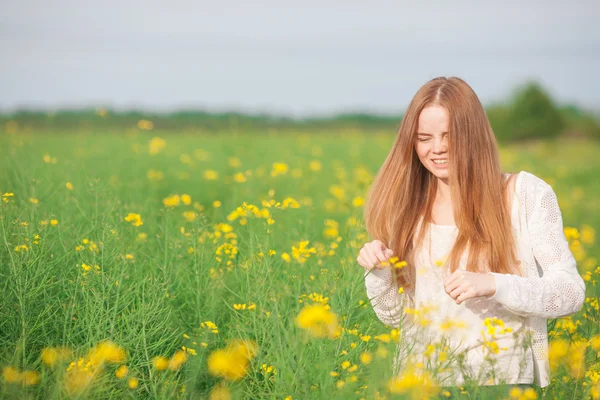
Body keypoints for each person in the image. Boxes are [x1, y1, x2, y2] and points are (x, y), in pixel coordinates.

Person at [356, 77, 586, 396]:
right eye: (424, 138)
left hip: (501, 380)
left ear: (473, 135)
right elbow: (393, 318)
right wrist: (379, 273)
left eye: (449, 136)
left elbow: (570, 292)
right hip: (422, 382)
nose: (436, 148)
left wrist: (494, 283)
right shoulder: (407, 209)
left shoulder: (524, 195)